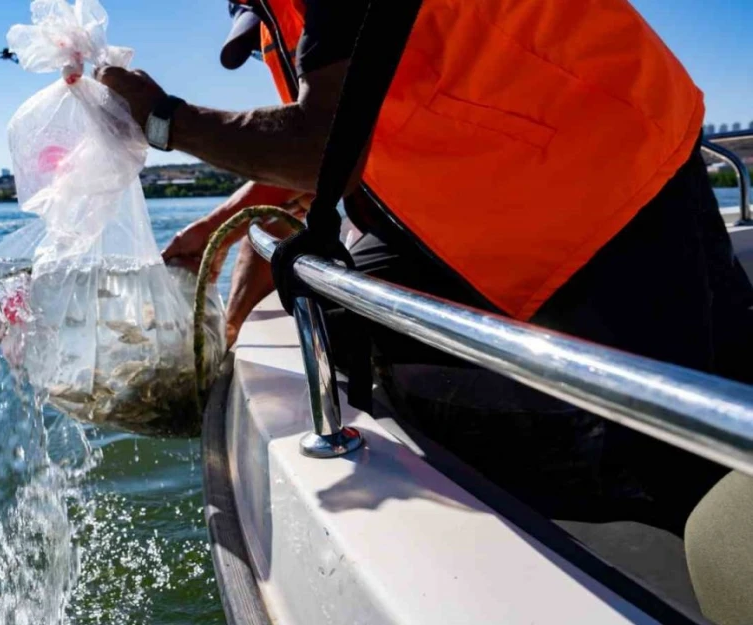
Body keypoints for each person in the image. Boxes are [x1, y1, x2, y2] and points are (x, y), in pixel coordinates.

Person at [98, 1, 753, 530]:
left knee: (685, 456)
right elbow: (349, 128)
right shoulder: (290, 16)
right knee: (358, 326)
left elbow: (323, 145)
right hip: (512, 192)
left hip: (609, 183)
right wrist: (210, 228)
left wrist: (162, 120)